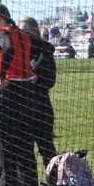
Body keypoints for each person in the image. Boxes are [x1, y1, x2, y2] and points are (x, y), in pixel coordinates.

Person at [0, 4, 40, 186]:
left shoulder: (2, 33)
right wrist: (32, 73)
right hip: (27, 91)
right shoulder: (24, 35)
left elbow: (8, 47)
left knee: (4, 145)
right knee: (25, 144)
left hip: (9, 91)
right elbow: (46, 49)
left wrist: (2, 75)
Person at [19, 17, 57, 169]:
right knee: (23, 148)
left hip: (41, 105)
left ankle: (55, 181)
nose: (24, 35)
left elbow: (50, 80)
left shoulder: (45, 52)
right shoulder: (19, 51)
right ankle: (27, 184)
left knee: (46, 146)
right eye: (20, 32)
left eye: (26, 31)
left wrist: (36, 79)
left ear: (35, 31)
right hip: (22, 105)